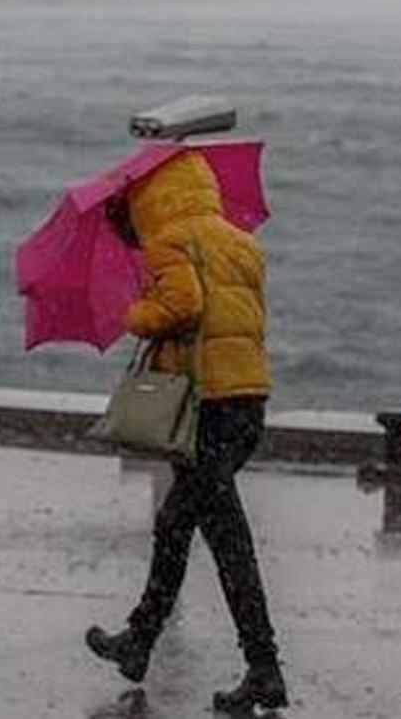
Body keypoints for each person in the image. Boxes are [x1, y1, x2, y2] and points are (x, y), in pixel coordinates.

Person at [88, 151, 286, 713]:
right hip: (247, 401)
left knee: (204, 532)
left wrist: (136, 314)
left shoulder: (170, 241)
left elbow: (183, 305)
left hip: (206, 409)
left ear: (151, 198)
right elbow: (238, 318)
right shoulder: (240, 242)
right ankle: (144, 641)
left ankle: (259, 665)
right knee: (197, 529)